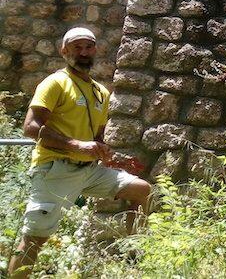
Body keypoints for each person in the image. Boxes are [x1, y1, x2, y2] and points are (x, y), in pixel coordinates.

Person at [8, 27, 151, 279]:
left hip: (89, 171)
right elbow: (30, 127)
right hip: (54, 169)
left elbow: (95, 140)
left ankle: (134, 260)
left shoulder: (100, 92)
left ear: (95, 50)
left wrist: (112, 157)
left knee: (141, 190)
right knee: (34, 240)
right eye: (77, 47)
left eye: (88, 47)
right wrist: (76, 145)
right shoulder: (55, 83)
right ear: (64, 51)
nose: (83, 52)